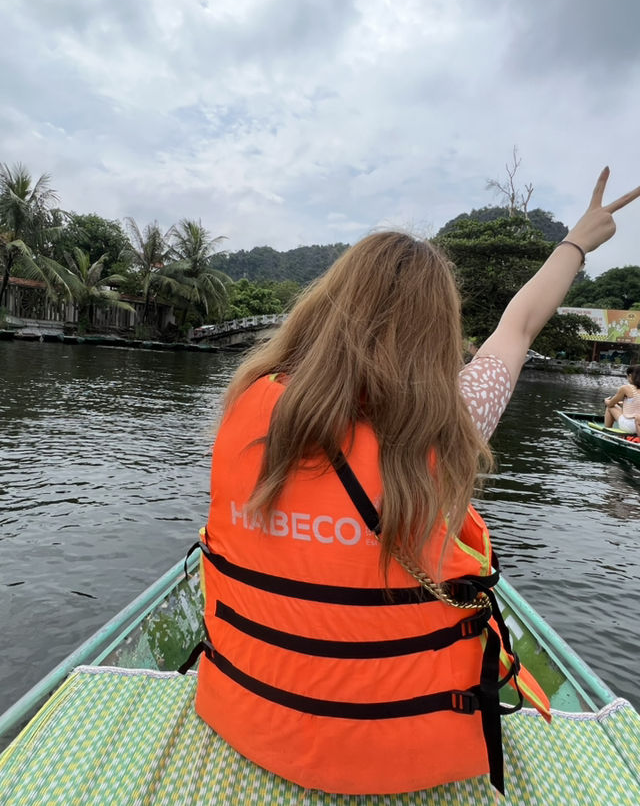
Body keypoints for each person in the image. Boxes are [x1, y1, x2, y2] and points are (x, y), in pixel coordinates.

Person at [185, 168, 640, 796]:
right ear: (437, 330)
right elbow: (520, 325)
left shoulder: (247, 405)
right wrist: (577, 243)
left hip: (253, 721)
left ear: (325, 306)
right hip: (399, 751)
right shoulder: (456, 420)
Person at [604, 364, 640, 432]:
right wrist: (623, 403)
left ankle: (607, 434)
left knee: (610, 407)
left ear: (630, 376)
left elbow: (610, 404)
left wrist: (606, 401)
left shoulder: (625, 388)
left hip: (631, 426)